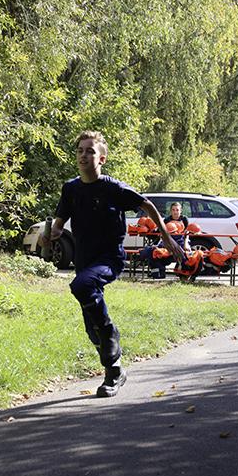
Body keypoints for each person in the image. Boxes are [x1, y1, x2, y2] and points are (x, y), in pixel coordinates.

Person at [41, 131, 182, 398]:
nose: (84, 155)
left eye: (90, 151)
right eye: (80, 150)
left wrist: (166, 237)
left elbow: (148, 205)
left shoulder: (113, 188)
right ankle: (114, 371)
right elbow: (59, 224)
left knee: (82, 287)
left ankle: (110, 333)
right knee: (90, 326)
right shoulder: (71, 188)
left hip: (110, 258)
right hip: (84, 259)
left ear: (102, 159)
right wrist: (51, 235)